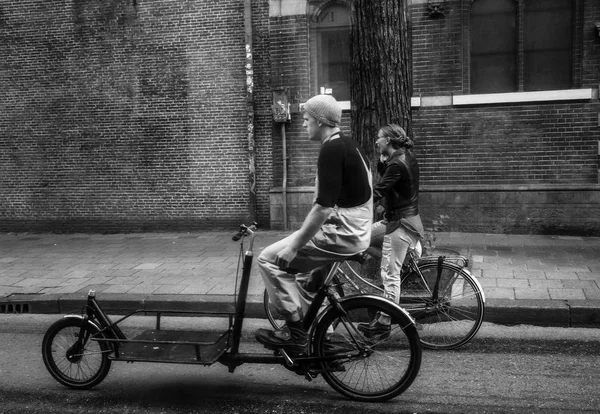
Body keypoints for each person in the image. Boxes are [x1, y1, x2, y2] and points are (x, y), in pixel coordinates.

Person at [255, 94, 373, 355]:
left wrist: (294, 247)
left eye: (307, 119)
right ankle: (324, 340)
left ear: (320, 121)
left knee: (269, 259)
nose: (304, 124)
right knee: (309, 280)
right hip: (355, 230)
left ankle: (296, 334)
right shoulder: (350, 145)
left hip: (341, 233)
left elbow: (322, 207)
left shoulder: (331, 149)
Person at [358, 124, 424, 336]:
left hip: (401, 225)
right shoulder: (405, 157)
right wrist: (382, 161)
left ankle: (385, 321)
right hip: (400, 219)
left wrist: (351, 205)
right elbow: (392, 183)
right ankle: (395, 259)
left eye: (379, 138)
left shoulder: (397, 163)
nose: (376, 141)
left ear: (388, 141)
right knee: (362, 238)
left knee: (390, 275)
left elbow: (379, 190)